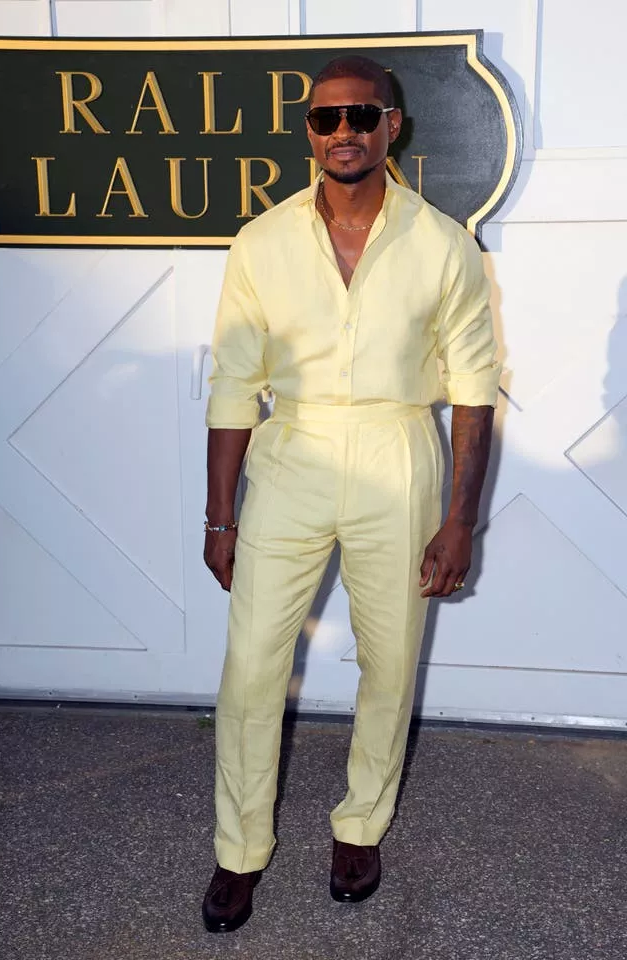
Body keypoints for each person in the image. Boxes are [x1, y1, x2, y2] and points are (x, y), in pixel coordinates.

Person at [201, 55, 500, 933]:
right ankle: (239, 850)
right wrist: (220, 515)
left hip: (397, 451)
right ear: (309, 132)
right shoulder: (261, 242)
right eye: (327, 119)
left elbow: (475, 392)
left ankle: (361, 825)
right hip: (288, 454)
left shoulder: (444, 244)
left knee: (391, 658)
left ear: (391, 128)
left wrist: (460, 522)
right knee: (252, 664)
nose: (345, 134)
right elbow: (231, 389)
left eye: (362, 116)